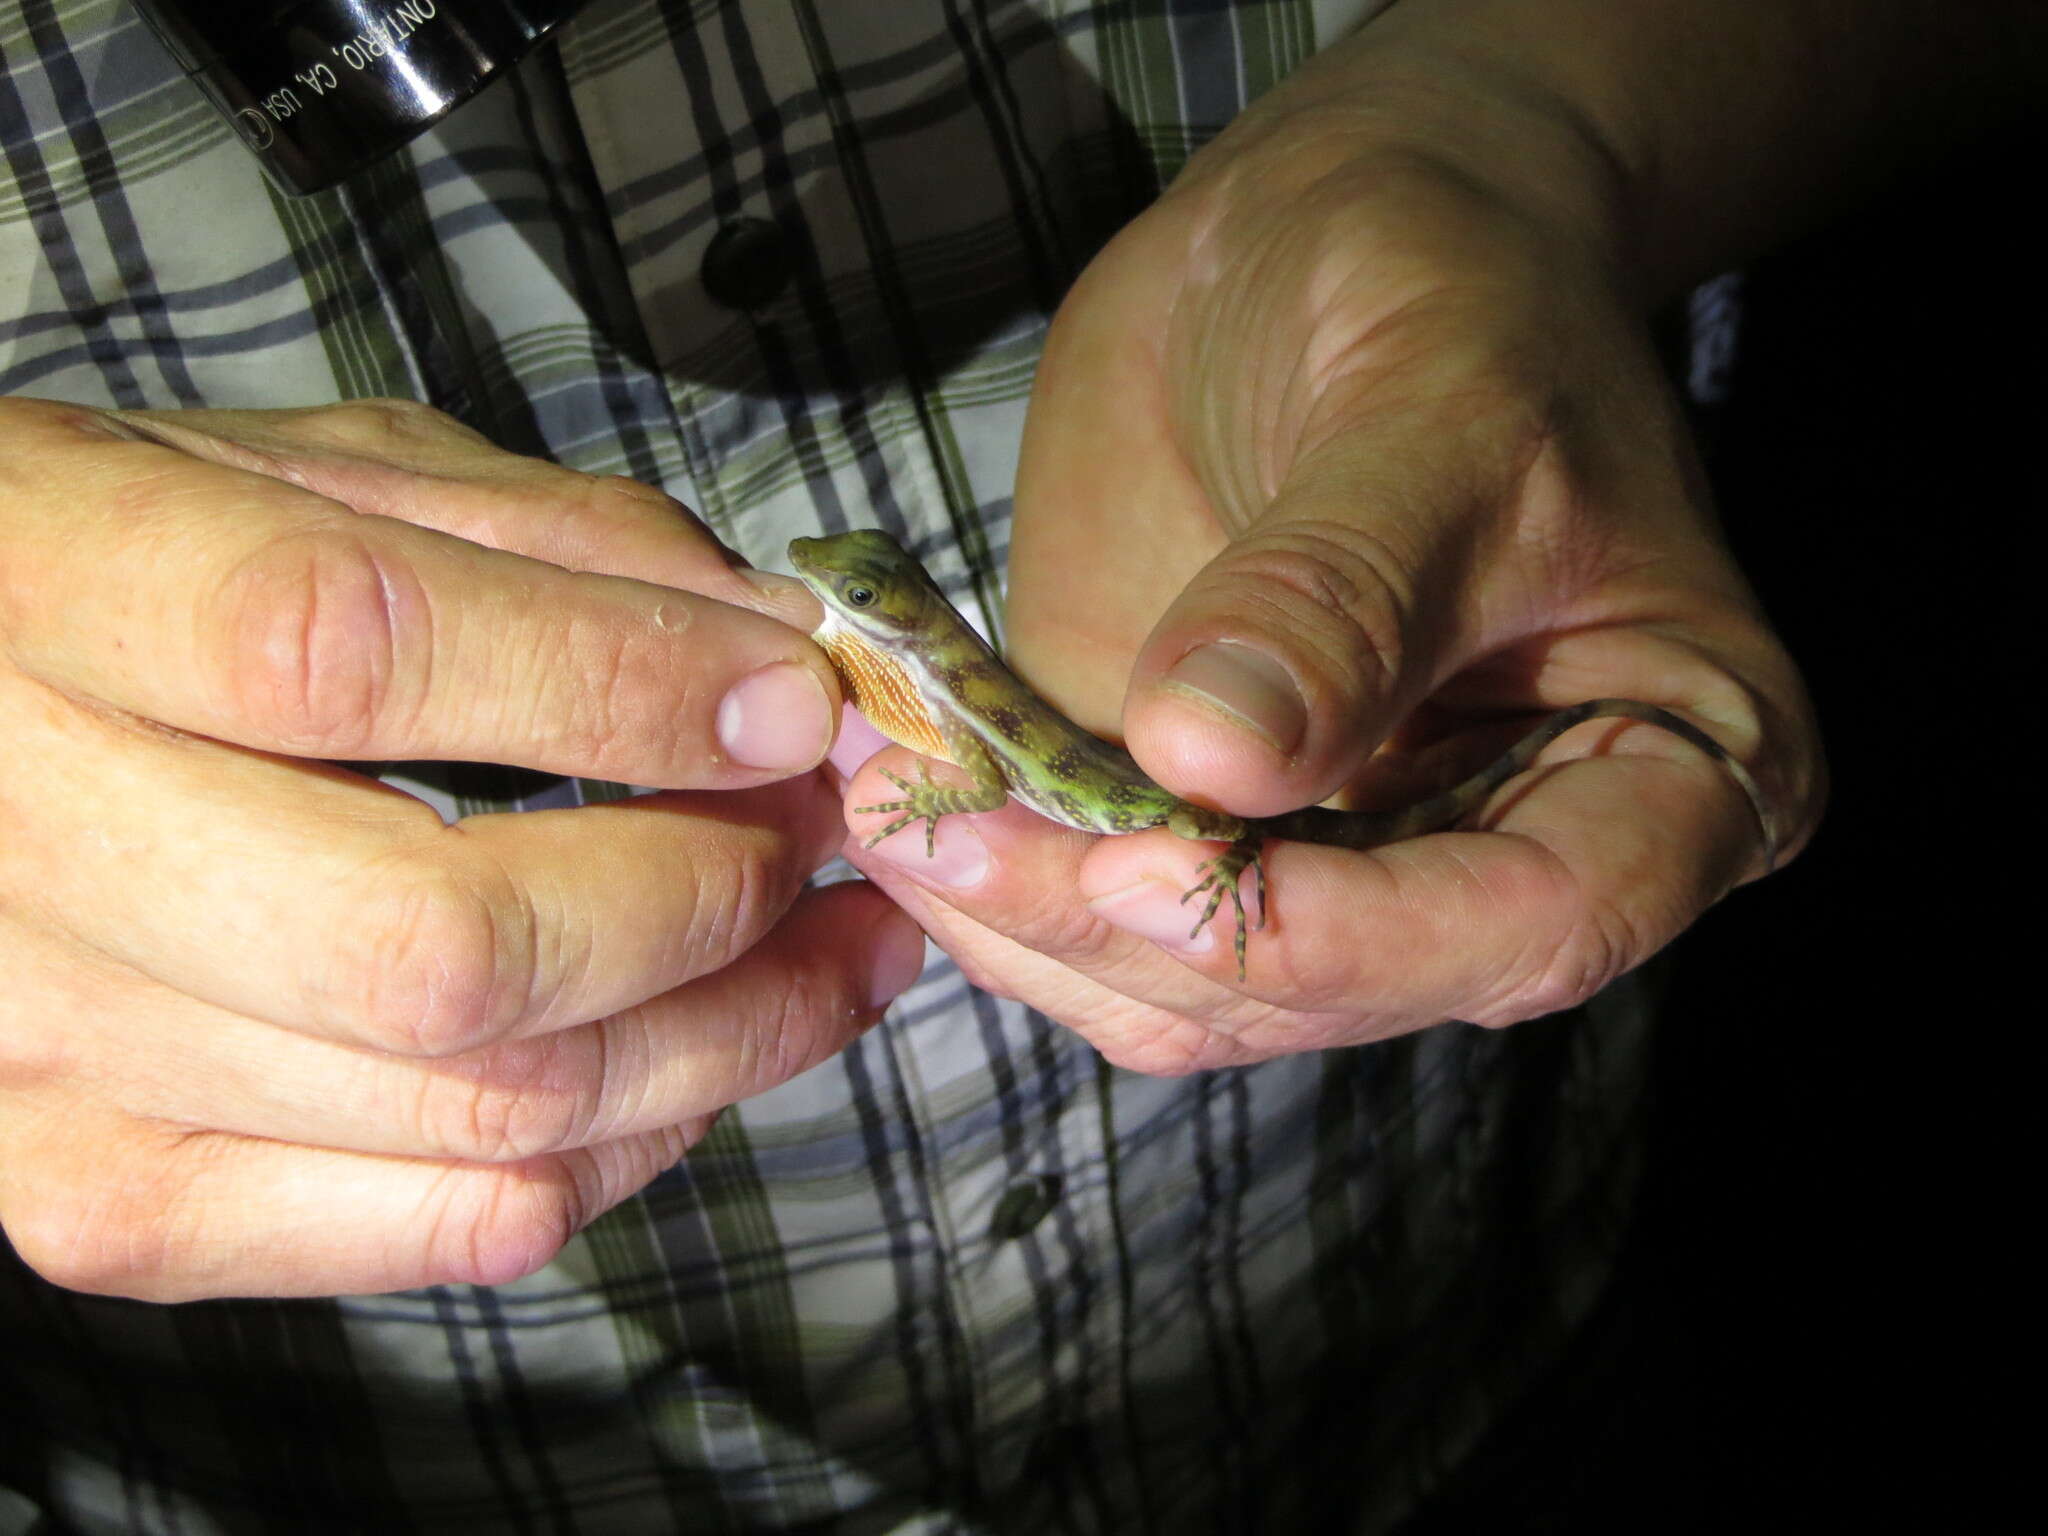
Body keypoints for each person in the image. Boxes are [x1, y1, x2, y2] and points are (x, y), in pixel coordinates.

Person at [0, 1, 2033, 1530]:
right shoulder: (905, 683)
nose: (853, 611)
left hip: (1466, 1348)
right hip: (379, 1471)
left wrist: (1511, 128)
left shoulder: (924, 697)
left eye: (868, 607)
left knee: (1188, 819)